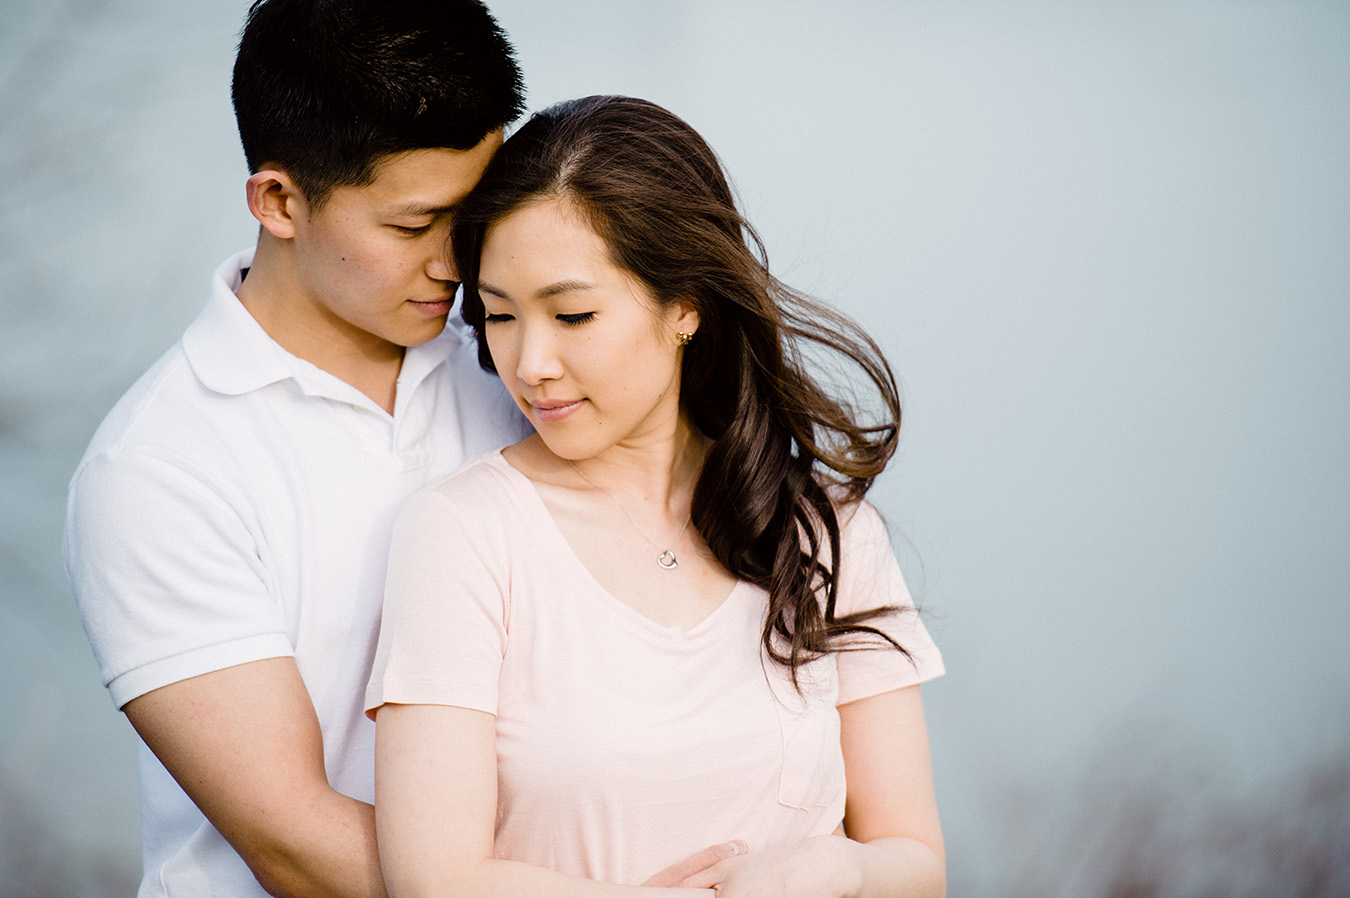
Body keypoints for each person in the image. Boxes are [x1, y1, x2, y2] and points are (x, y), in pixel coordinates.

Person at [366, 95, 947, 897]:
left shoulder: (825, 529)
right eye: (499, 316)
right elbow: (435, 879)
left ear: (685, 306)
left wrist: (836, 866)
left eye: (573, 315)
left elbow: (917, 863)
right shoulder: (463, 534)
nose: (529, 362)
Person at [61, 3, 535, 896]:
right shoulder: (159, 467)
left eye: (474, 212)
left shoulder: (518, 362)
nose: (457, 262)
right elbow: (295, 843)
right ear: (278, 201)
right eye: (412, 226)